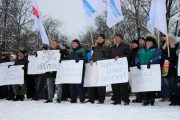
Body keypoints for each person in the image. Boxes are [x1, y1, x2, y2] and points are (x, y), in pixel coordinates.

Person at [135, 34, 162, 106]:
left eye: (150, 41)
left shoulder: (156, 49)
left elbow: (159, 57)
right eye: (147, 41)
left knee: (151, 85)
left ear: (153, 42)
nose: (148, 42)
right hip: (143, 70)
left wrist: (151, 62)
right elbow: (137, 57)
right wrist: (137, 62)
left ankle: (152, 99)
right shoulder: (141, 50)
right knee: (145, 85)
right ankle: (146, 99)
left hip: (152, 70)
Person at [89, 34, 111, 104]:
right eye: (98, 38)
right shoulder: (95, 47)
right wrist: (91, 59)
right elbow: (93, 56)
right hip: (95, 67)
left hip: (102, 67)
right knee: (95, 82)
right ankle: (94, 98)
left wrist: (100, 60)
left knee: (102, 83)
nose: (99, 39)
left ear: (104, 39)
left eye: (101, 38)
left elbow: (108, 57)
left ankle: (101, 99)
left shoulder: (107, 47)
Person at [110, 33, 131, 105]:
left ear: (121, 38)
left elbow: (129, 55)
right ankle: (117, 100)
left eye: (117, 37)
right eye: (115, 37)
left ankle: (125, 100)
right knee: (115, 85)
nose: (116, 38)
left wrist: (120, 57)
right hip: (114, 69)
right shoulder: (112, 47)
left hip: (123, 69)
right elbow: (109, 56)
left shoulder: (126, 46)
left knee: (123, 85)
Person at [160, 35, 178, 102]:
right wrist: (165, 59)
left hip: (172, 67)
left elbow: (176, 57)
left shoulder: (175, 47)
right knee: (165, 82)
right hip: (165, 66)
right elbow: (162, 56)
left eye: (169, 39)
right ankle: (166, 95)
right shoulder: (164, 48)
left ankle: (172, 96)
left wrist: (171, 60)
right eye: (167, 39)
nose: (168, 40)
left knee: (172, 82)